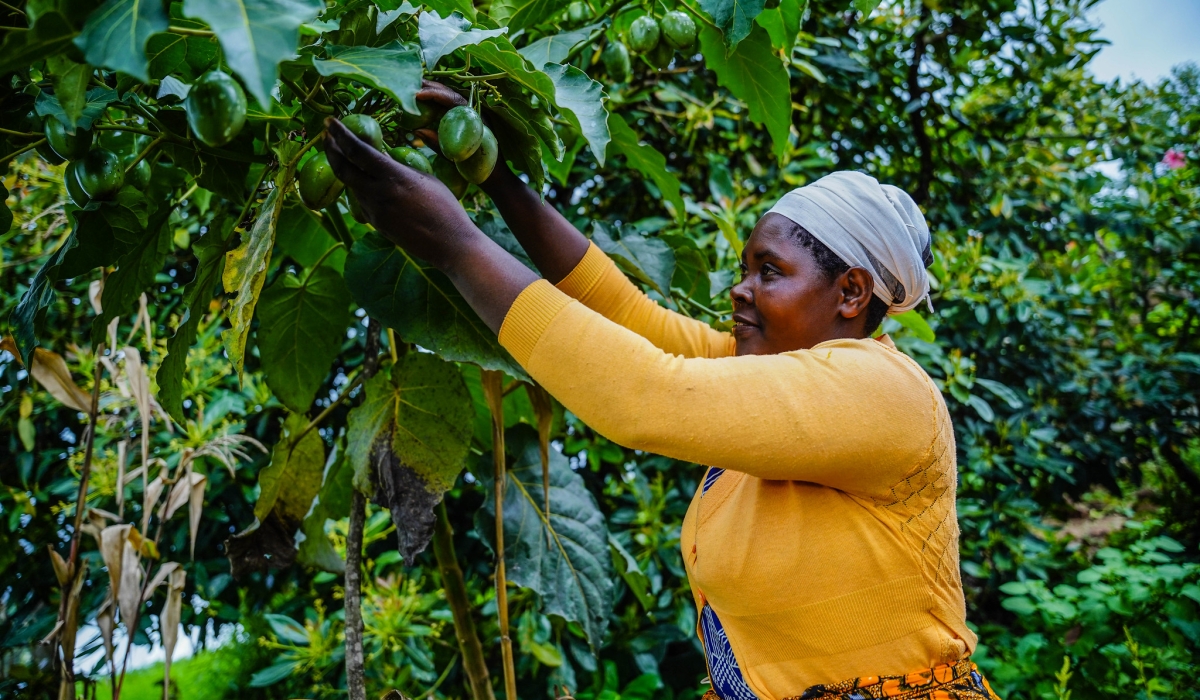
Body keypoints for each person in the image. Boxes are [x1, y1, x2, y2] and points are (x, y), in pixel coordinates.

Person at [322, 81, 1000, 700]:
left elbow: (645, 393)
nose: (740, 290)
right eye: (745, 269)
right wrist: (495, 177)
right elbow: (628, 314)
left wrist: (454, 244)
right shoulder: (768, 372)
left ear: (850, 292)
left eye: (769, 271)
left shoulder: (881, 390)